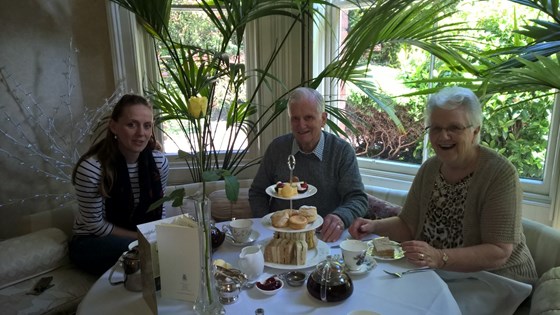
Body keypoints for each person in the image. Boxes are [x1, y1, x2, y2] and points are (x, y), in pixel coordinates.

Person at [349, 86, 538, 285]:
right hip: (441, 274)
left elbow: (499, 252)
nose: (443, 136)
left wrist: (439, 257)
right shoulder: (430, 169)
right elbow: (408, 225)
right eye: (436, 128)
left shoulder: (499, 174)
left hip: (498, 279)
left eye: (454, 128)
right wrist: (372, 226)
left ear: (475, 131)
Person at [249, 87, 368, 242]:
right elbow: (257, 193)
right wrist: (266, 226)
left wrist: (340, 217)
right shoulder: (277, 148)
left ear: (323, 119)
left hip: (325, 237)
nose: (301, 125)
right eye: (295, 118)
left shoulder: (341, 151)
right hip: (281, 237)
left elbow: (358, 198)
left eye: (309, 118)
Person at [69, 94, 169, 276]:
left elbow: (159, 207)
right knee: (147, 255)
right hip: (92, 240)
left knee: (177, 246)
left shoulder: (159, 162)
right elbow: (95, 226)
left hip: (139, 235)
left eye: (147, 126)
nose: (141, 133)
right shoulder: (92, 168)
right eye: (132, 124)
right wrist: (143, 237)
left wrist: (157, 234)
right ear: (114, 126)